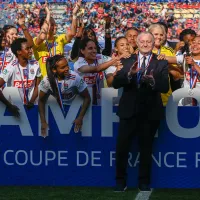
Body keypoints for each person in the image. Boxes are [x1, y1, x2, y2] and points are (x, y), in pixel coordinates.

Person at [112, 32, 169, 192]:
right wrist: (129, 75)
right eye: (142, 41)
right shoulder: (126, 60)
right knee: (122, 147)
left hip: (150, 111)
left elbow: (165, 87)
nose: (145, 44)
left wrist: (153, 82)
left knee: (146, 148)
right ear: (136, 43)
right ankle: (120, 181)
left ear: (153, 43)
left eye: (148, 41)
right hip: (128, 110)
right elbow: (116, 83)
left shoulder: (161, 62)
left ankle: (144, 182)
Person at [38, 55, 91, 137]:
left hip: (74, 111)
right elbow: (41, 100)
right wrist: (43, 121)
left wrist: (80, 117)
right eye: (63, 67)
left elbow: (87, 97)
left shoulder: (75, 78)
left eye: (67, 65)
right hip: (55, 112)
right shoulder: (47, 80)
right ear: (54, 70)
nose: (67, 69)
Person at [33, 1, 81, 77]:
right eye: (52, 25)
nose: (55, 27)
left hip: (60, 81)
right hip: (44, 83)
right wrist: (48, 14)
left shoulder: (59, 39)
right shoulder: (37, 41)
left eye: (55, 24)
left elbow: (72, 33)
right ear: (44, 26)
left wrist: (74, 14)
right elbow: (42, 36)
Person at [0, 38, 41, 117]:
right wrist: (9, 105)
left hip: (31, 106)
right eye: (27, 49)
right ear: (19, 52)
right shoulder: (10, 68)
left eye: (30, 48)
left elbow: (37, 86)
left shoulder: (35, 64)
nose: (30, 51)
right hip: (15, 109)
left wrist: (32, 102)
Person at [73, 38, 119, 105]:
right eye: (90, 48)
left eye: (95, 48)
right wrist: (114, 60)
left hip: (99, 101)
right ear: (82, 51)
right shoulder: (79, 63)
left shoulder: (99, 57)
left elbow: (116, 62)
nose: (94, 51)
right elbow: (97, 69)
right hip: (82, 102)